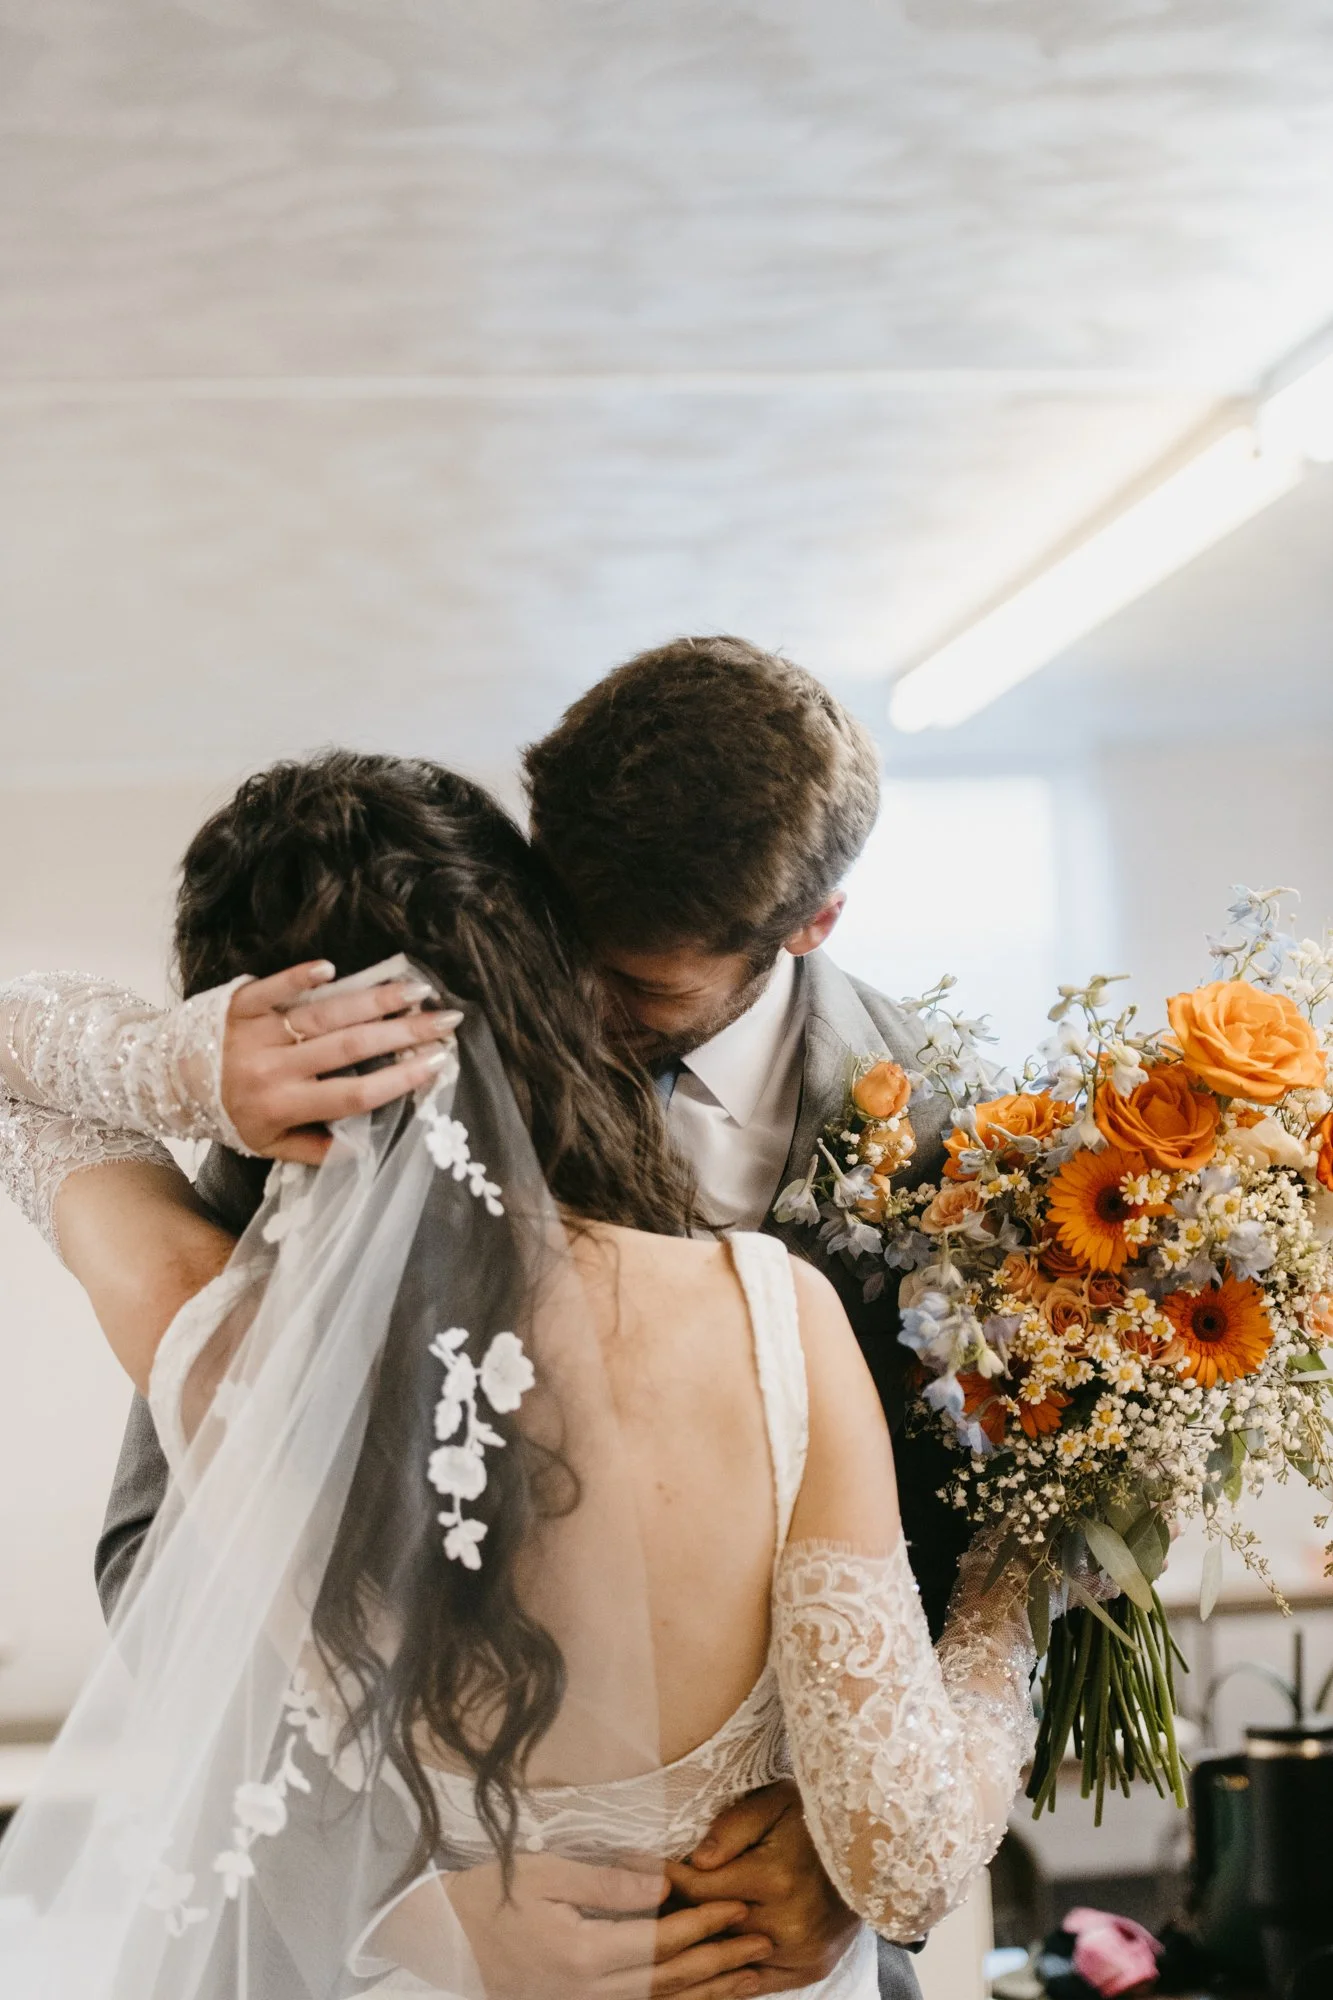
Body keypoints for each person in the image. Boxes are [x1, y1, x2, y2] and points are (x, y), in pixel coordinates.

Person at [0, 749, 1035, 2000]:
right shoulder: (764, 1318)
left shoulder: (214, 1342)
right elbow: (906, 1860)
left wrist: (184, 1071)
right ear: (548, 972)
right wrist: (1014, 1574)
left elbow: (17, 1064)